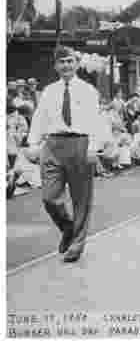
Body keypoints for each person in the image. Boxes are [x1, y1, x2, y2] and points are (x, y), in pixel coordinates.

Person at [24, 47, 110, 262]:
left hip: (80, 144)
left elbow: (96, 120)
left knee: (81, 199)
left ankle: (77, 244)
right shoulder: (49, 91)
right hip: (53, 145)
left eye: (70, 61)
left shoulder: (88, 90)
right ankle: (68, 227)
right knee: (49, 197)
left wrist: (93, 148)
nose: (66, 66)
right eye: (61, 62)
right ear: (55, 66)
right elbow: (39, 118)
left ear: (77, 63)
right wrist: (33, 143)